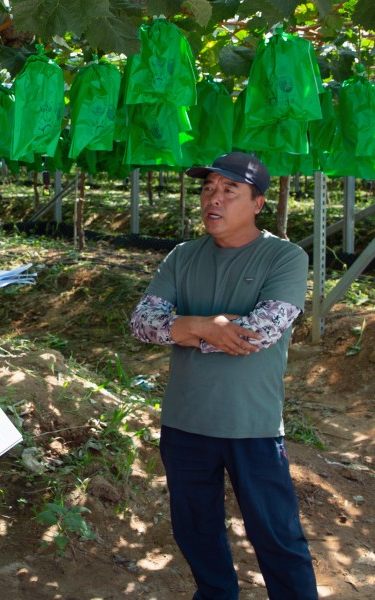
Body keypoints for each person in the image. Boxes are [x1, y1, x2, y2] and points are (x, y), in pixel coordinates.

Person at [129, 152, 318, 599]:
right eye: (208, 188)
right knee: (195, 530)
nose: (213, 198)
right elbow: (141, 323)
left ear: (258, 203)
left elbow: (259, 332)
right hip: (185, 422)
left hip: (251, 425)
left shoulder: (285, 257)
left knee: (276, 534)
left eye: (229, 190)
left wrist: (181, 329)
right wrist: (205, 325)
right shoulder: (182, 256)